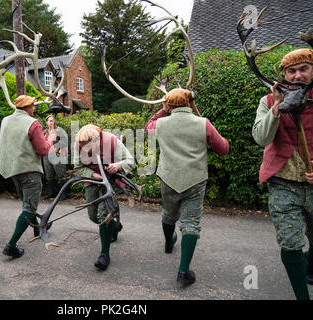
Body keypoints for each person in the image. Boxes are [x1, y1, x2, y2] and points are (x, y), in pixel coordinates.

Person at [252, 48, 313, 300]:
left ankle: (311, 259)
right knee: (290, 242)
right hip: (281, 183)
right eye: (291, 71)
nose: (297, 76)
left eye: (303, 69)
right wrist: (276, 107)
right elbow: (261, 137)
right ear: (283, 74)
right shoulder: (267, 100)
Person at [145, 88, 229, 286]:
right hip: (195, 179)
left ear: (169, 105)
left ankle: (168, 242)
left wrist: (162, 111)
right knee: (190, 223)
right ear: (189, 102)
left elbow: (148, 126)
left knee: (168, 213)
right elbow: (223, 149)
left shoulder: (161, 123)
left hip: (168, 177)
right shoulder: (203, 123)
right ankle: (183, 272)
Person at [73, 124, 135, 271]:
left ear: (98, 139)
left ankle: (104, 254)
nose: (86, 149)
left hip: (111, 181)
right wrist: (94, 175)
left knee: (103, 216)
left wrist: (118, 166)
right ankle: (114, 225)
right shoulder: (78, 143)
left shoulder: (113, 141)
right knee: (93, 216)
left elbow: (130, 161)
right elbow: (78, 166)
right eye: (83, 146)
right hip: (93, 180)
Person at [0, 95, 53, 258]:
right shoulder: (33, 123)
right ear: (26, 107)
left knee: (28, 203)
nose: (34, 109)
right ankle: (11, 246)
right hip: (29, 171)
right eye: (33, 106)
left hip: (13, 170)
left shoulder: (5, 120)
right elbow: (43, 150)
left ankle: (37, 228)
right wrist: (50, 140)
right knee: (28, 209)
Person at [42, 115, 69, 200]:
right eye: (50, 121)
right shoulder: (44, 132)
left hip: (58, 155)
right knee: (49, 175)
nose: (51, 122)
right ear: (46, 122)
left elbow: (65, 142)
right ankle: (51, 193)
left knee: (61, 175)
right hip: (46, 156)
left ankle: (63, 194)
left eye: (53, 121)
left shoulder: (60, 131)